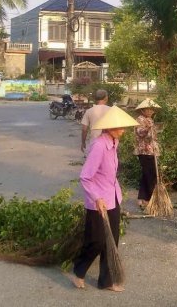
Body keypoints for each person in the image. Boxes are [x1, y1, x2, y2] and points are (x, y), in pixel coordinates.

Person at [72, 105, 138, 292]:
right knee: (97, 240)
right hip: (98, 201)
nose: (123, 131)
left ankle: (106, 281)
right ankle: (78, 271)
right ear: (109, 127)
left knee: (112, 240)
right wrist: (96, 197)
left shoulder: (113, 143)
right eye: (120, 127)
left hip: (112, 198)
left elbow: (109, 173)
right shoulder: (100, 145)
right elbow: (85, 176)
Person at [133, 98, 161, 209]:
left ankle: (142, 199)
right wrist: (148, 128)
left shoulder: (150, 120)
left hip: (151, 151)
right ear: (143, 110)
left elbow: (153, 135)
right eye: (148, 110)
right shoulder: (140, 119)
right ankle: (149, 199)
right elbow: (140, 133)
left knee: (147, 175)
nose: (150, 112)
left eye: (152, 110)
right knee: (150, 175)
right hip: (144, 151)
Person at [81, 89, 110, 154]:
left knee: (94, 162)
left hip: (94, 142)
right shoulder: (111, 110)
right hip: (109, 143)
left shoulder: (89, 111)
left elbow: (84, 129)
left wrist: (83, 142)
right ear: (106, 97)